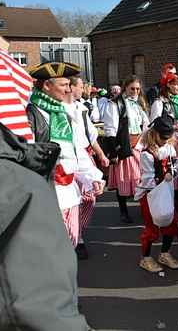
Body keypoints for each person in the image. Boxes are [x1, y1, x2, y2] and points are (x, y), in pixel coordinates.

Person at [0, 35, 88, 330]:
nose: (68, 88)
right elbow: (26, 314)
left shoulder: (68, 112)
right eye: (62, 84)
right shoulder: (8, 185)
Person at [27, 62, 106, 247]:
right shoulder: (31, 115)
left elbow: (74, 149)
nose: (68, 90)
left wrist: (91, 177)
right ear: (47, 85)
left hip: (68, 193)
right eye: (63, 85)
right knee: (51, 250)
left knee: (69, 244)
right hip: (48, 195)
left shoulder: (62, 113)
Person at [66, 76, 110, 259]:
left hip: (84, 156)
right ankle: (77, 239)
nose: (83, 88)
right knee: (73, 200)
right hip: (67, 159)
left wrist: (100, 154)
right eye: (81, 85)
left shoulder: (82, 108)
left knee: (89, 199)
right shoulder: (60, 110)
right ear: (71, 87)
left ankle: (77, 230)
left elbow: (90, 136)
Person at [136, 114, 178, 273]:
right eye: (162, 137)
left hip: (167, 192)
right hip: (150, 195)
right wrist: (164, 177)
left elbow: (176, 163)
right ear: (154, 133)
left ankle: (164, 253)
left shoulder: (169, 147)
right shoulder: (146, 154)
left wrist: (173, 172)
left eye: (167, 137)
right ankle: (146, 258)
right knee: (152, 226)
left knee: (171, 222)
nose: (165, 140)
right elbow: (147, 179)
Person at [102, 75, 150, 223]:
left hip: (139, 144)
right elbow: (110, 129)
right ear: (125, 88)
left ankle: (145, 210)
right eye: (132, 89)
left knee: (143, 178)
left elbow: (145, 125)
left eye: (137, 88)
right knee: (123, 180)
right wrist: (114, 151)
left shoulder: (140, 103)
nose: (135, 91)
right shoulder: (115, 104)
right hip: (124, 145)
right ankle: (123, 211)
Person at [149, 72, 178, 195]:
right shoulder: (160, 102)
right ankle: (173, 197)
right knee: (173, 165)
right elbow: (154, 122)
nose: (177, 87)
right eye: (174, 84)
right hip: (170, 139)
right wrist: (172, 127)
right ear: (168, 85)